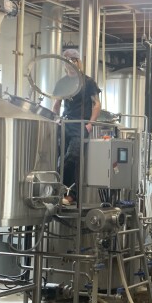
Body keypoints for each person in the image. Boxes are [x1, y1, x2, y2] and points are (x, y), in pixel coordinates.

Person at [52, 48, 101, 205]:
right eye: (67, 62)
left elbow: (97, 105)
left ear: (78, 62)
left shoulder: (88, 82)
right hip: (65, 124)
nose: (71, 65)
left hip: (80, 126)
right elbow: (56, 103)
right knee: (59, 158)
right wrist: (56, 119)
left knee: (72, 157)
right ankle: (60, 193)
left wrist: (90, 124)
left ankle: (71, 194)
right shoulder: (63, 82)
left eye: (73, 61)